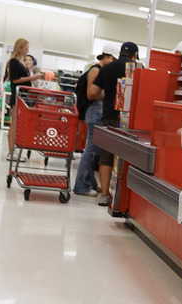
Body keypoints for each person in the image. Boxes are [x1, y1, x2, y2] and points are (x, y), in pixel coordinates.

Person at [88, 41, 140, 207]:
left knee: (106, 157)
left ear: (119, 53)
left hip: (109, 117)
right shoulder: (139, 69)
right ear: (135, 55)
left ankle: (104, 196)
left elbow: (92, 93)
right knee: (127, 158)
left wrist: (109, 98)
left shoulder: (107, 68)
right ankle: (124, 197)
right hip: (131, 121)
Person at [72, 44, 119, 197]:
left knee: (94, 149)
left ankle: (90, 183)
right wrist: (109, 97)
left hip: (95, 112)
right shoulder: (96, 70)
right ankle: (81, 186)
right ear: (108, 57)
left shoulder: (97, 69)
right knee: (91, 149)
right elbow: (91, 94)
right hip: (95, 111)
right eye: (113, 59)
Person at [5, 38, 43, 161]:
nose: (27, 51)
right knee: (14, 125)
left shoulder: (20, 62)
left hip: (22, 97)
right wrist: (33, 77)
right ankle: (11, 153)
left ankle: (13, 152)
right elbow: (15, 80)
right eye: (26, 48)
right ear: (20, 48)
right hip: (17, 97)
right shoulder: (14, 62)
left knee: (17, 125)